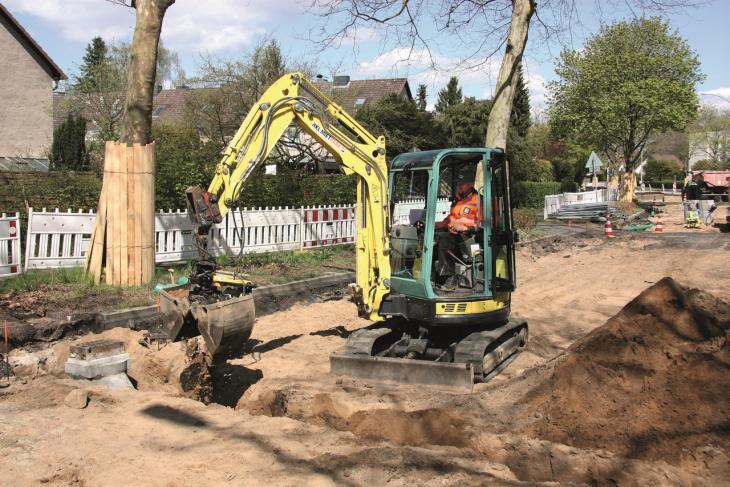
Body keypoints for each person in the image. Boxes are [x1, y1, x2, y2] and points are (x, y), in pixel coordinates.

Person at [434, 180, 481, 290]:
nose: (458, 186)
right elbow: (449, 220)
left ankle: (450, 278)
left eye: (461, 183)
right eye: (457, 183)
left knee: (444, 238)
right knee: (433, 236)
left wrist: (466, 228)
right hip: (455, 235)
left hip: (470, 237)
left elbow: (484, 224)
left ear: (470, 185)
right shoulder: (458, 201)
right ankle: (435, 277)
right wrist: (432, 226)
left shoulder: (478, 200)